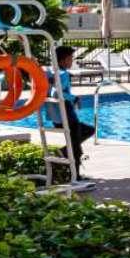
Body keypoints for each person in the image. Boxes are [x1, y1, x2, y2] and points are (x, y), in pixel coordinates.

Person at [51, 46, 97, 180]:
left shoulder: (51, 72)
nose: (72, 61)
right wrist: (74, 98)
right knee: (75, 145)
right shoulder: (63, 74)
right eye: (70, 58)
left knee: (87, 132)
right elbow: (56, 93)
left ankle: (64, 152)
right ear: (63, 60)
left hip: (56, 118)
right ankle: (75, 176)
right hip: (67, 115)